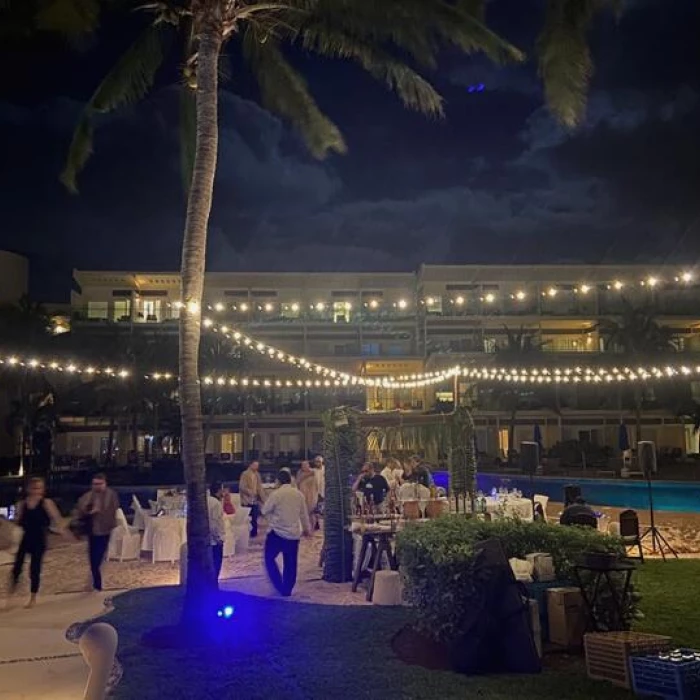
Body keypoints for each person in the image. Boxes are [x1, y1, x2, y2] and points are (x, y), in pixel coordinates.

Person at [10, 477, 63, 608]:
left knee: (34, 569)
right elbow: (17, 522)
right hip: (26, 538)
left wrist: (61, 532)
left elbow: (57, 519)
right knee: (17, 567)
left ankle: (33, 598)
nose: (37, 491)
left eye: (39, 488)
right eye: (34, 488)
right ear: (29, 489)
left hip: (39, 540)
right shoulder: (22, 504)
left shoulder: (47, 503)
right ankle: (13, 589)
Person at [261, 470, 311, 597]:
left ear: (278, 481)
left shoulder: (276, 494)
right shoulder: (299, 494)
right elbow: (304, 514)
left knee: (269, 558)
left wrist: (272, 519)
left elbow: (264, 510)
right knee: (291, 563)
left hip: (277, 532)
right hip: (293, 534)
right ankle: (287, 589)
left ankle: (278, 584)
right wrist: (307, 529)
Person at [76, 473, 119, 592]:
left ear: (105, 484)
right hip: (92, 530)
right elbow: (81, 510)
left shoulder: (111, 495)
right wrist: (89, 511)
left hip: (105, 529)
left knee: (98, 557)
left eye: (100, 484)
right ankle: (96, 582)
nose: (97, 487)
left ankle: (97, 583)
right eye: (95, 484)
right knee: (92, 558)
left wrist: (100, 511)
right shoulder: (88, 496)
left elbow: (113, 510)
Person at [239, 460, 266, 538]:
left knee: (255, 517)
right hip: (246, 499)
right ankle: (246, 534)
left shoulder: (257, 475)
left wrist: (263, 498)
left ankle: (254, 533)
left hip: (255, 499)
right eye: (255, 465)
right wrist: (249, 492)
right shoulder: (245, 474)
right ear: (250, 465)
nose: (256, 467)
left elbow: (259, 487)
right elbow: (242, 486)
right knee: (247, 518)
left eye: (257, 465)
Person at [208, 482, 226, 583]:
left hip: (208, 539)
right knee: (216, 564)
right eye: (222, 490)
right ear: (218, 491)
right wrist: (219, 538)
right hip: (215, 541)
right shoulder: (216, 504)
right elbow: (214, 523)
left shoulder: (207, 500)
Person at [296, 460, 319, 530]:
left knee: (311, 512)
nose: (304, 467)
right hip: (302, 495)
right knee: (303, 513)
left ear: (308, 465)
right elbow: (298, 482)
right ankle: (305, 528)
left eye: (306, 465)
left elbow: (316, 485)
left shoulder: (313, 472)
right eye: (303, 466)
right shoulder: (300, 473)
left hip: (312, 496)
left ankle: (313, 527)